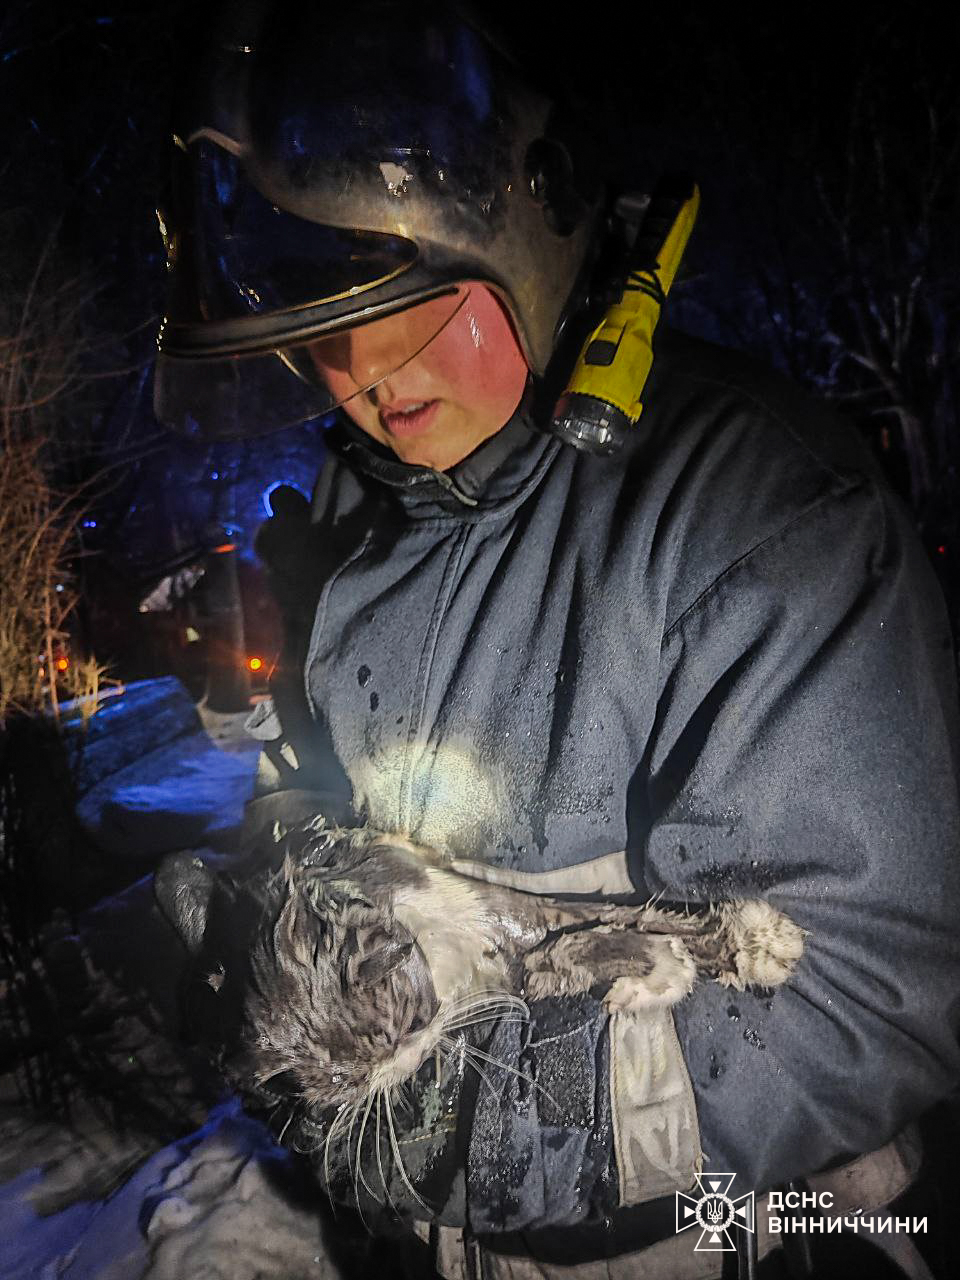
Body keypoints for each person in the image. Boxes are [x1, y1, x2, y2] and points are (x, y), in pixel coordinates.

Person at [154, 2, 960, 1276]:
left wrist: (505, 1122)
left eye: (405, 299)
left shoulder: (754, 511)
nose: (357, 368)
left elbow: (874, 991)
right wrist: (276, 921)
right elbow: (314, 793)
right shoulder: (354, 521)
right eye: (316, 317)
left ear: (527, 233)